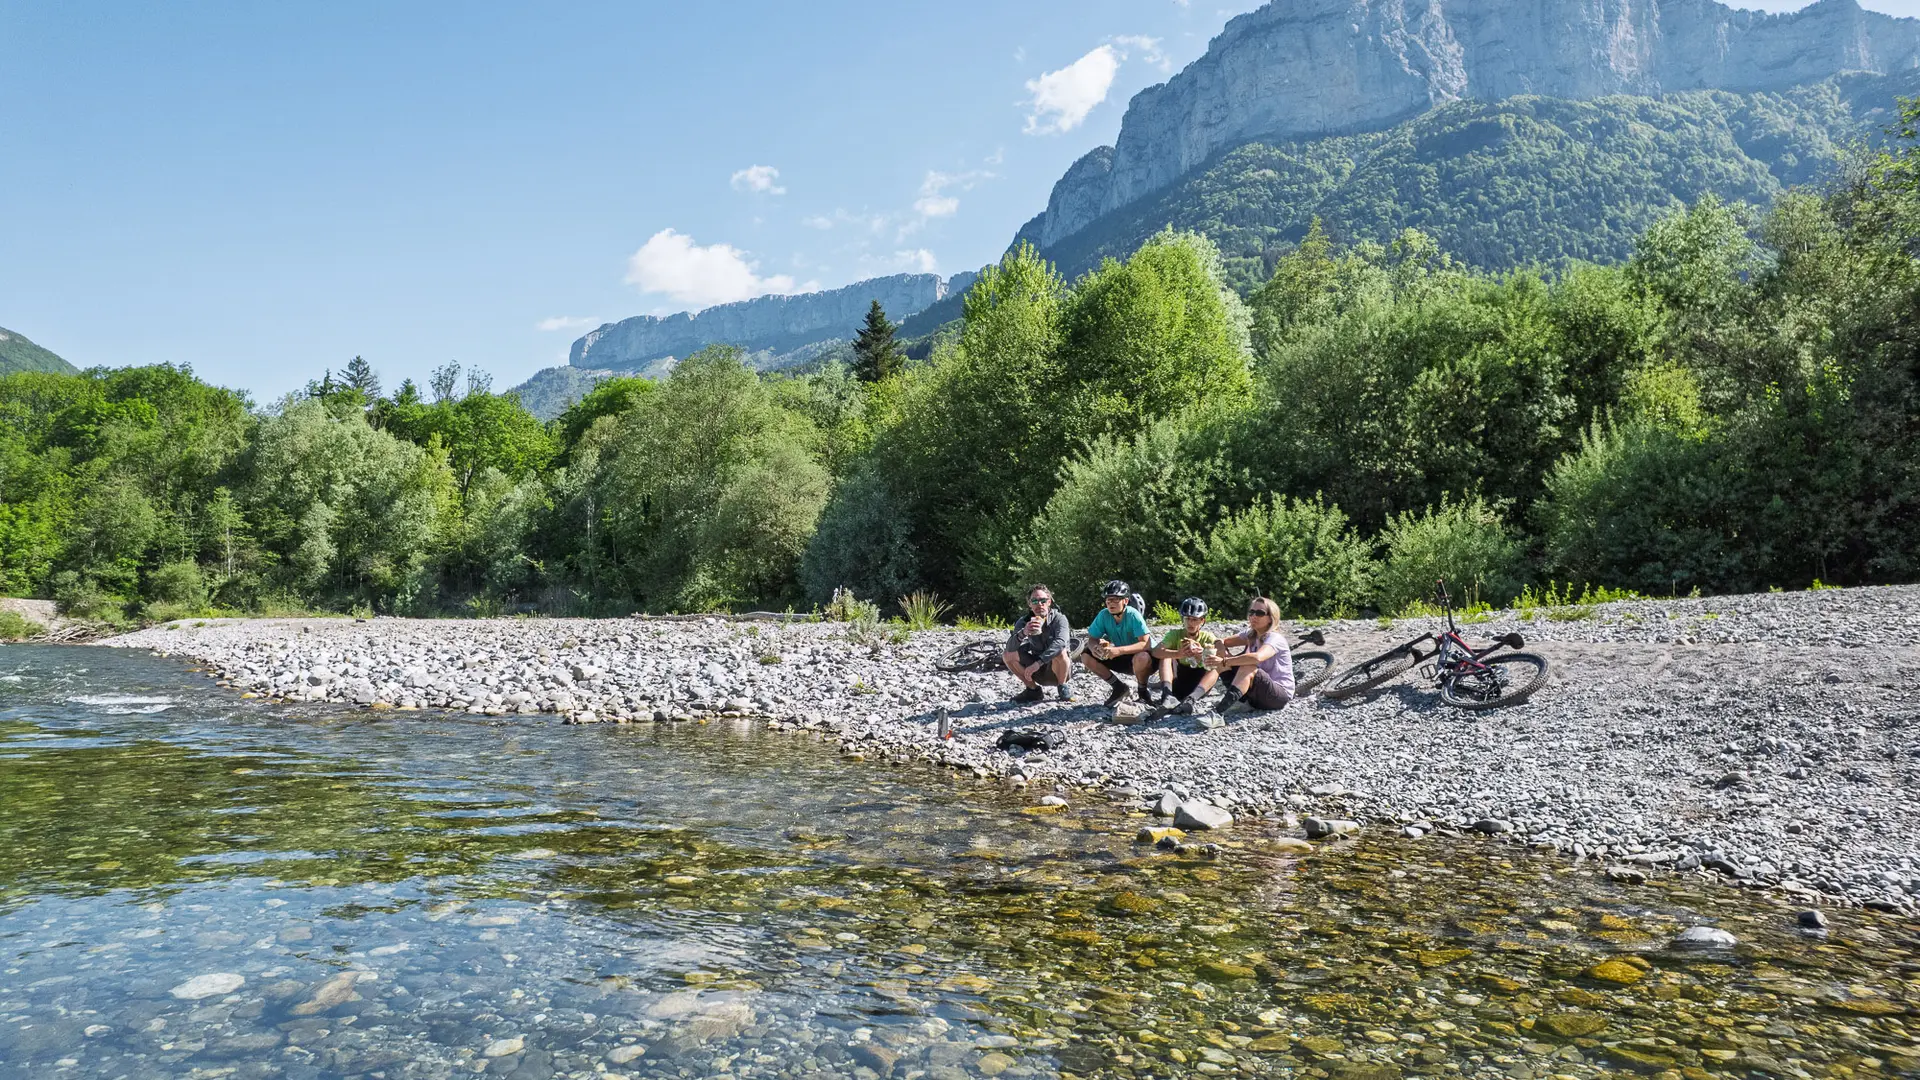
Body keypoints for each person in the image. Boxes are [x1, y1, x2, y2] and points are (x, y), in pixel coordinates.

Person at [1206, 595, 1295, 716]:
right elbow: (1223, 641)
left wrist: (1224, 661)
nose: (1253, 616)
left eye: (1260, 613)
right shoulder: (1251, 634)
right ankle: (1238, 701)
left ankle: (1218, 712)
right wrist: (1219, 647)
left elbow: (1258, 657)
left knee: (1248, 665)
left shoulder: (1275, 638)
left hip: (1278, 697)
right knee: (1223, 657)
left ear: (1270, 618)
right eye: (1251, 612)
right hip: (1256, 694)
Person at [1082, 579, 1154, 708]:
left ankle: (1143, 692)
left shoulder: (1133, 615)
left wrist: (1118, 650)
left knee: (1141, 657)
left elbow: (1145, 644)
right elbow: (1092, 638)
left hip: (1147, 659)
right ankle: (1118, 687)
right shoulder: (1103, 615)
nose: (1111, 603)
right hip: (1123, 656)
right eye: (1108, 600)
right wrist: (1094, 649)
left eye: (1116, 600)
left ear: (1125, 601)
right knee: (1086, 654)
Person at [1002, 584, 1072, 704]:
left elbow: (1061, 642)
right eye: (1034, 601)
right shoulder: (1024, 621)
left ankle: (1062, 687)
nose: (1039, 604)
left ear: (1049, 602)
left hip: (1058, 669)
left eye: (1043, 600)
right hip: (1038, 669)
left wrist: (1038, 663)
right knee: (1007, 655)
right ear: (1030, 604)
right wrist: (1023, 633)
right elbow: (1010, 648)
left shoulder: (1059, 619)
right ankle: (1033, 690)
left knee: (1060, 651)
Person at [1150, 597, 1220, 715]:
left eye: (1194, 619)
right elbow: (1156, 651)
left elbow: (1219, 659)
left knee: (1216, 667)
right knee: (1165, 656)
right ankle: (1167, 695)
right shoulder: (1175, 635)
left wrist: (1202, 654)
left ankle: (1191, 699)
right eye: (1187, 619)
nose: (1190, 623)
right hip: (1179, 681)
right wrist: (1178, 653)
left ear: (1202, 621)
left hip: (1200, 684)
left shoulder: (1208, 637)